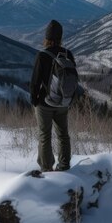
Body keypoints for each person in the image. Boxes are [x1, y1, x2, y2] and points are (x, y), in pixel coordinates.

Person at [29, 19, 77, 172]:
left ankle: (46, 168)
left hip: (45, 103)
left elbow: (35, 81)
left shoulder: (42, 55)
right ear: (60, 37)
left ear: (46, 37)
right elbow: (73, 78)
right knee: (63, 135)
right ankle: (64, 165)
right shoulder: (67, 54)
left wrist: (34, 99)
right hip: (63, 102)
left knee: (45, 135)